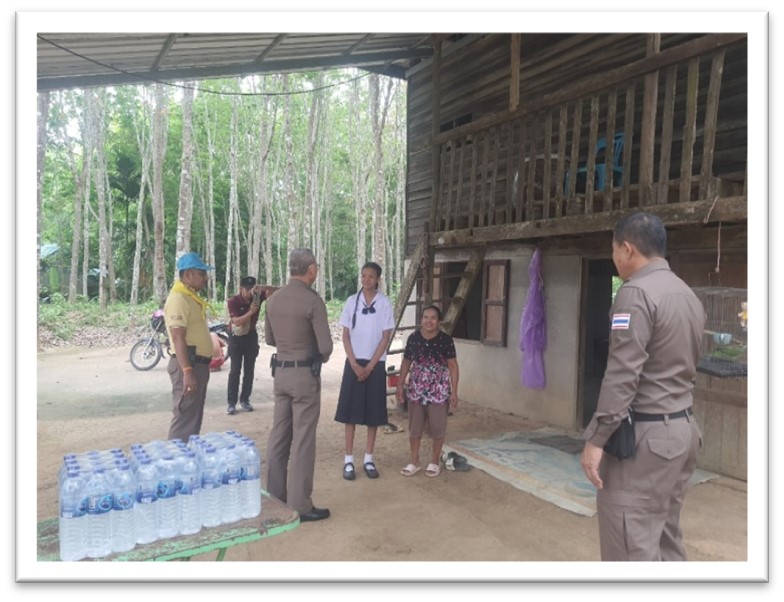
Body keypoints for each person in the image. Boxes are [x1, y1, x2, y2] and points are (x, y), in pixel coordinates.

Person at [580, 211, 706, 561]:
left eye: (614, 250)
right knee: (665, 538)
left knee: (630, 543)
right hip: (683, 431)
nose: (614, 258)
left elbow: (622, 374)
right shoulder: (687, 294)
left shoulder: (635, 293)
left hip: (647, 442)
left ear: (628, 249)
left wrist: (597, 438)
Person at [264, 248, 333, 522]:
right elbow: (325, 348)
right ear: (311, 269)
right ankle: (300, 504)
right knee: (303, 440)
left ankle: (275, 497)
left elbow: (270, 339)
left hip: (280, 373)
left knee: (279, 436)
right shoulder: (312, 301)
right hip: (304, 375)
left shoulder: (274, 300)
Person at [334, 262, 395, 481]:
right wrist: (354, 364)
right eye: (363, 276)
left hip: (375, 364)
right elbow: (345, 336)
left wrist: (370, 366)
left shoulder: (384, 303)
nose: (366, 280)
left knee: (373, 413)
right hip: (354, 362)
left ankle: (369, 458)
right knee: (350, 413)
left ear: (378, 279)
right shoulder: (352, 301)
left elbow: (385, 338)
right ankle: (348, 460)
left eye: (371, 276)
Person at [395, 305, 459, 479]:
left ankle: (434, 461)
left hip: (438, 392)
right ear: (421, 319)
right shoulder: (413, 338)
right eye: (425, 317)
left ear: (439, 322)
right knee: (414, 428)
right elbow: (406, 362)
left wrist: (454, 392)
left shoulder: (445, 340)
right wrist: (400, 384)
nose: (428, 321)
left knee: (438, 428)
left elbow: (453, 366)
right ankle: (414, 462)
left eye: (433, 318)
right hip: (416, 391)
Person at [163, 252, 215, 442]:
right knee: (184, 417)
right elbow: (178, 337)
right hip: (188, 365)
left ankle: (187, 455)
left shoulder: (190, 297)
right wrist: (187, 371)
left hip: (198, 365)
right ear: (187, 275)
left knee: (193, 417)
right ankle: (177, 457)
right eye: (201, 273)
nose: (205, 278)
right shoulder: (179, 299)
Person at [226, 276, 278, 414]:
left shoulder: (257, 297)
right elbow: (236, 322)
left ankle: (245, 400)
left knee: (249, 370)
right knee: (235, 370)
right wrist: (251, 312)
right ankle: (231, 403)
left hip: (251, 337)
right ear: (241, 289)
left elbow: (276, 290)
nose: (250, 292)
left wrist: (263, 287)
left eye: (252, 289)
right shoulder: (233, 301)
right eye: (247, 289)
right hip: (236, 338)